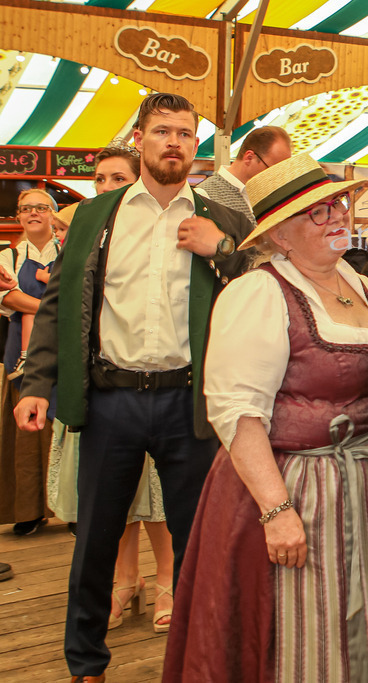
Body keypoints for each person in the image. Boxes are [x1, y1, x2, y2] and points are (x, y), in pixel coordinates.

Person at [14, 92, 252, 682]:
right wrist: (38, 382)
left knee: (198, 543)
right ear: (140, 139)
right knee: (94, 540)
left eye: (185, 134)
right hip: (111, 399)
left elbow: (261, 285)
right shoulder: (99, 214)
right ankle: (86, 664)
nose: (175, 142)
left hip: (189, 401)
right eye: (163, 131)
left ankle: (204, 659)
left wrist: (219, 249)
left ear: (194, 146)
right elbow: (58, 306)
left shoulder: (220, 217)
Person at [163, 153, 368, 682]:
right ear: (279, 236)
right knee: (312, 625)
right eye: (317, 212)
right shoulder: (258, 292)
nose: (337, 217)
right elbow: (236, 411)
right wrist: (277, 510)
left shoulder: (360, 283)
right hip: (301, 487)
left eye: (337, 204)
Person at [45, 143, 178, 637]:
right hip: (103, 385)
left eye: (117, 178)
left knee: (159, 496)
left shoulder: (165, 228)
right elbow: (63, 308)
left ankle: (167, 579)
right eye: (99, 179)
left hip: (162, 386)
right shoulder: (87, 228)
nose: (106, 188)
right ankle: (126, 580)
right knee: (111, 500)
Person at [0, 189, 61, 536]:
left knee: (62, 425)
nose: (33, 213)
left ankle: (68, 507)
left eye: (40, 207)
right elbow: (6, 296)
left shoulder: (68, 251)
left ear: (53, 214)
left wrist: (29, 303)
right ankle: (28, 510)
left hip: (62, 348)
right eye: (26, 209)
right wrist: (52, 308)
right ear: (18, 217)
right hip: (19, 351)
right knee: (24, 429)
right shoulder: (8, 255)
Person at [194, 125, 291, 228]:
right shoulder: (204, 195)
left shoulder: (266, 197)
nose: (275, 178)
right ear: (249, 158)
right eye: (272, 170)